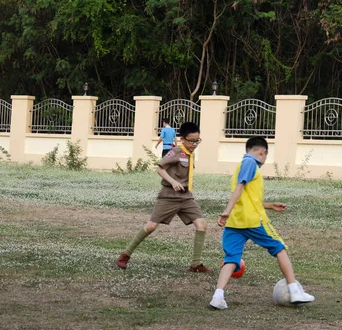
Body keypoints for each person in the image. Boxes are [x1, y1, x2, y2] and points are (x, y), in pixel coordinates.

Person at [209, 136, 315, 310]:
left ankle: (218, 296)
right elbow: (240, 188)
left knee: (231, 259)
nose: (264, 160)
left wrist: (269, 206)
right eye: (265, 157)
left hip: (236, 222)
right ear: (262, 152)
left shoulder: (241, 165)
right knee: (279, 248)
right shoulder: (251, 163)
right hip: (252, 220)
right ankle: (295, 290)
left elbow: (247, 197)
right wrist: (226, 211)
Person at [116, 122, 212, 273]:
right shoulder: (176, 152)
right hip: (169, 196)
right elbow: (160, 169)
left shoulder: (190, 154)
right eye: (191, 141)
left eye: (197, 141)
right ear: (182, 139)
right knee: (151, 226)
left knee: (202, 224)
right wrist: (173, 182)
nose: (194, 144)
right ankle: (125, 255)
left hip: (186, 196)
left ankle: (196, 264)